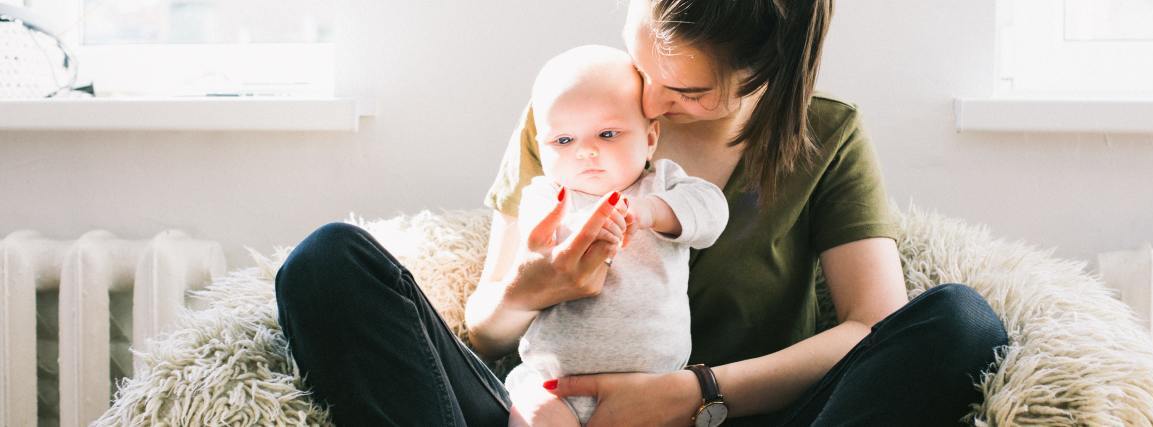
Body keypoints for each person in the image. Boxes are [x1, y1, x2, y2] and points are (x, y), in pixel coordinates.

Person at [274, 0, 1009, 425]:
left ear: (768, 76)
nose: (648, 101)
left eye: (686, 91)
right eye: (641, 60)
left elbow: (869, 328)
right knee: (325, 263)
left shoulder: (827, 138)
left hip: (735, 419)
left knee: (962, 323)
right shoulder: (577, 113)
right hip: (551, 414)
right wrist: (532, 290)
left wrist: (692, 392)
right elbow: (484, 330)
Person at [502, 44, 728, 426]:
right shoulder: (548, 195)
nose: (586, 152)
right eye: (563, 140)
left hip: (653, 390)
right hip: (554, 384)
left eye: (607, 134)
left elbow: (712, 212)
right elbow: (537, 242)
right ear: (541, 145)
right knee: (534, 415)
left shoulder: (663, 183)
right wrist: (575, 229)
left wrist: (653, 211)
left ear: (651, 138)